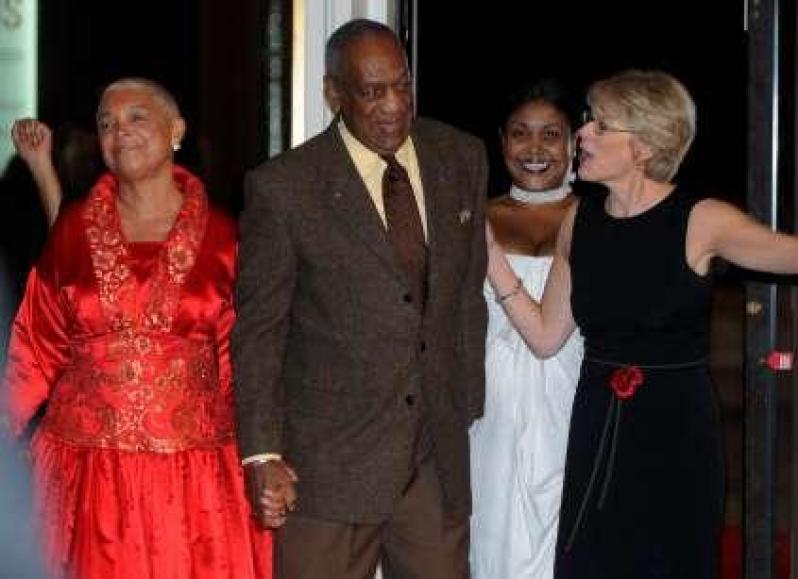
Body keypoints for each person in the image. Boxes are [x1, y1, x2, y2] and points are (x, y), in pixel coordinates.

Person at [486, 69, 798, 579]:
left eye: (598, 126)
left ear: (641, 145)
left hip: (674, 430)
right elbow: (546, 337)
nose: (581, 135)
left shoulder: (700, 219)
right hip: (596, 426)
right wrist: (490, 256)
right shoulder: (580, 221)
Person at [232, 18, 488, 579]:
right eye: (373, 92)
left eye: (403, 85)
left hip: (432, 460)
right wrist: (262, 454)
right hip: (328, 464)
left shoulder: (459, 157)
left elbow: (466, 290)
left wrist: (463, 401)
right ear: (333, 94)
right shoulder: (284, 187)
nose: (393, 105)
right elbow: (259, 331)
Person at [2, 79, 272, 579]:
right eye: (106, 123)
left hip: (193, 484)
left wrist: (262, 455)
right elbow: (34, 348)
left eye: (135, 117)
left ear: (176, 130)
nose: (118, 131)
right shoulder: (73, 230)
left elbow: (245, 360)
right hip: (84, 480)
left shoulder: (225, 236)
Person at [469, 79, 583, 579]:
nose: (535, 149)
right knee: (488, 531)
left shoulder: (597, 218)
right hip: (488, 406)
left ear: (575, 141)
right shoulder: (475, 218)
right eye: (520, 134)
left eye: (551, 135)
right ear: (502, 141)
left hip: (572, 396)